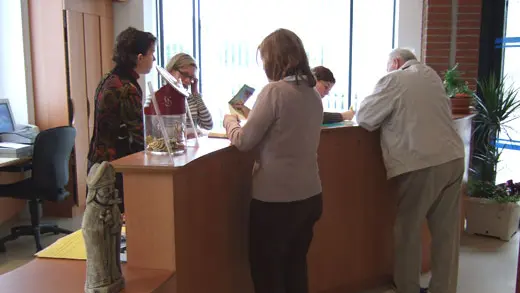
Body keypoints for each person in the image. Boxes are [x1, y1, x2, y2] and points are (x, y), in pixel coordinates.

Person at [355, 48, 465, 293]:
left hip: (421, 162)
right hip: (453, 158)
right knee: (446, 234)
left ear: (395, 62)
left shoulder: (394, 79)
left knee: (408, 229)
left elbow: (364, 117)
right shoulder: (432, 76)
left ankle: (407, 288)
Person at [223, 28, 323, 293]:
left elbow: (244, 141)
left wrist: (230, 121)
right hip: (310, 195)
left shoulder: (274, 92)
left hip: (277, 201)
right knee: (295, 269)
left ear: (275, 60)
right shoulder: (313, 94)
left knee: (267, 274)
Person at [87, 27, 156, 213]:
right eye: (152, 53)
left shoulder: (109, 78)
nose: (154, 59)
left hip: (97, 160)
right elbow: (137, 136)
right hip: (113, 167)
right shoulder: (127, 88)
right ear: (139, 57)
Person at [165, 53, 213, 137]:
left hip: (192, 147)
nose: (187, 81)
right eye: (184, 74)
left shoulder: (190, 98)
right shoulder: (158, 98)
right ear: (171, 71)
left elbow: (208, 125)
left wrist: (195, 94)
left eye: (191, 78)